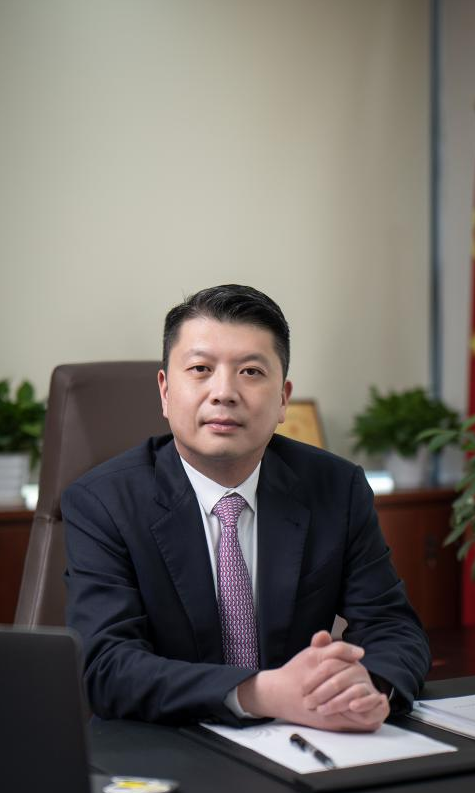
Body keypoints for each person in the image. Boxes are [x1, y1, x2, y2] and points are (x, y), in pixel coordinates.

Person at [62, 284, 430, 730]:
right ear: (164, 391)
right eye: (200, 369)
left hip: (304, 738)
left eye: (251, 372)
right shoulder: (103, 501)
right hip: (166, 743)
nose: (224, 392)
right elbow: (106, 666)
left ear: (283, 398)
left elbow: (392, 626)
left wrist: (365, 688)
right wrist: (261, 692)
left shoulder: (336, 488)